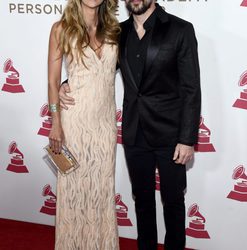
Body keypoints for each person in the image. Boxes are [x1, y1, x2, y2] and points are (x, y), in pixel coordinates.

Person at [59, 0, 201, 249]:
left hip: (171, 135)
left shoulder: (181, 29)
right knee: (142, 200)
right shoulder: (117, 33)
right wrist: (65, 84)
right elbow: (97, 69)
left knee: (173, 200)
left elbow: (191, 89)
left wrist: (187, 139)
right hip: (134, 132)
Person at [47, 0, 120, 249]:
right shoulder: (61, 29)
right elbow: (52, 81)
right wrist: (55, 122)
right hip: (74, 122)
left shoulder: (114, 30)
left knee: (101, 189)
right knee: (73, 189)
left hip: (105, 125)